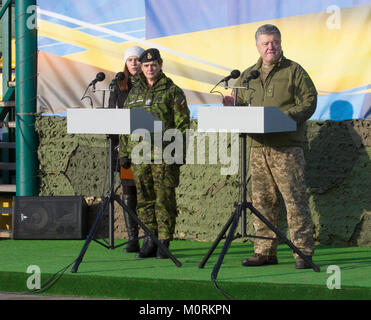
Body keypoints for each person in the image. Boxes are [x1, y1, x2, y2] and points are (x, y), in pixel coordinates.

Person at [233, 24, 317, 269]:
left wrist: (284, 117)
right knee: (263, 202)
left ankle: (302, 252)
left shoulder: (294, 71)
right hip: (258, 148)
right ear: (258, 46)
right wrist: (232, 105)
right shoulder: (249, 75)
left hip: (286, 148)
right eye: (265, 43)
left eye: (274, 42)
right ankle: (264, 251)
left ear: (280, 43)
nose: (270, 47)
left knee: (294, 200)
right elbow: (239, 106)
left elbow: (309, 101)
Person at [119, 48, 190, 259]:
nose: (150, 69)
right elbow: (125, 124)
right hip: (139, 156)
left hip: (164, 155)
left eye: (154, 65)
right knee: (144, 200)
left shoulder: (172, 91)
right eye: (146, 65)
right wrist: (124, 151)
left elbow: (183, 124)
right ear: (141, 67)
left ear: (160, 65)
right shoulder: (134, 92)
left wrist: (179, 153)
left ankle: (164, 242)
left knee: (164, 200)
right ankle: (150, 238)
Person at [108, 45, 145, 253]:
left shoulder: (150, 84)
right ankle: (133, 239)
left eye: (137, 59)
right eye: (130, 60)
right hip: (125, 149)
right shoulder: (118, 84)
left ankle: (150, 237)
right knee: (129, 191)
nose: (133, 63)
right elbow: (111, 117)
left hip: (146, 146)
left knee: (146, 193)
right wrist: (118, 144)